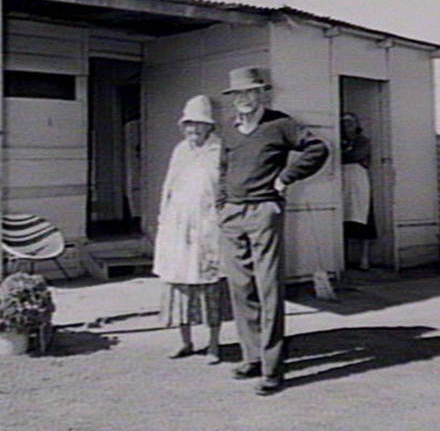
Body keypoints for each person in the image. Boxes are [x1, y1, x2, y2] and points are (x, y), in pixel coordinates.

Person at [217, 67, 329, 395]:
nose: (243, 99)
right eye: (238, 94)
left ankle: (271, 367)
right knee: (240, 288)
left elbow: (317, 149)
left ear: (262, 94)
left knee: (267, 289)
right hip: (232, 215)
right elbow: (224, 167)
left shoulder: (280, 124)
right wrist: (222, 203)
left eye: (250, 92)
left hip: (264, 211)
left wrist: (285, 178)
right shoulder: (229, 129)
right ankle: (251, 357)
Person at [153, 95, 233, 365]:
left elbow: (225, 189)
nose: (194, 130)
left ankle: (213, 344)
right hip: (178, 227)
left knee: (210, 285)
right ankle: (185, 342)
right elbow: (169, 186)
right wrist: (163, 219)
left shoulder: (219, 150)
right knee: (180, 284)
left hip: (208, 225)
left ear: (209, 127)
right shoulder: (180, 150)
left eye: (199, 125)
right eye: (189, 125)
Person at [340, 112, 376, 271]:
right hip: (341, 181)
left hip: (358, 180)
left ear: (356, 124)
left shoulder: (363, 141)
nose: (347, 125)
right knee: (342, 218)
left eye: (350, 122)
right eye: (344, 122)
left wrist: (345, 154)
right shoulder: (339, 139)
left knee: (362, 217)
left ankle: (364, 258)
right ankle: (344, 258)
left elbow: (356, 155)